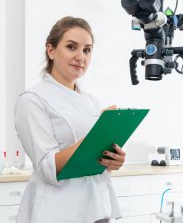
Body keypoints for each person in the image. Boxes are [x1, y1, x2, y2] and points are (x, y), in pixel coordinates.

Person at [14, 16, 125, 223]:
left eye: (87, 50)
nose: (80, 57)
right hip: (59, 211)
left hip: (97, 208)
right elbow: (48, 168)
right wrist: (97, 135)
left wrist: (112, 160)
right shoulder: (32, 100)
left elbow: (92, 161)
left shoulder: (90, 101)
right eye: (71, 47)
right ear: (51, 50)